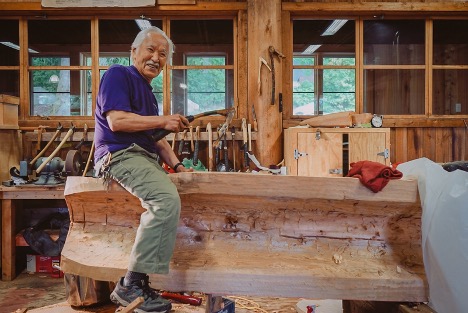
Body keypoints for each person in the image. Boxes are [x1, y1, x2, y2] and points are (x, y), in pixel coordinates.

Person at [93, 26, 192, 313]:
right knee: (164, 200)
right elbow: (118, 122)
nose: (156, 58)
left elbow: (157, 141)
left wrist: (178, 165)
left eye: (163, 54)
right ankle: (130, 284)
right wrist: (162, 120)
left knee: (173, 194)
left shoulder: (148, 94)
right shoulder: (118, 74)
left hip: (142, 156)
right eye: (150, 50)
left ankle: (142, 283)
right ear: (133, 52)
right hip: (119, 154)